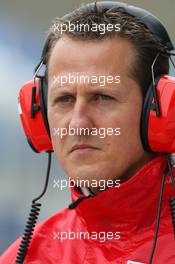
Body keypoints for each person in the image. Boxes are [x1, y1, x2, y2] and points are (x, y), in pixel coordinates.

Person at [1, 1, 175, 263]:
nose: (78, 124)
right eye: (64, 100)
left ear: (160, 110)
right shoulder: (25, 256)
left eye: (102, 98)